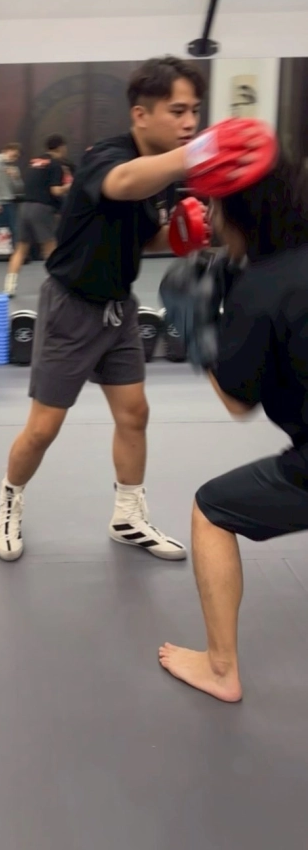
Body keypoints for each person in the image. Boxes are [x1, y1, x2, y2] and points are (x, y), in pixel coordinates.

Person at [0, 55, 208, 563]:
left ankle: (127, 516)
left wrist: (183, 236)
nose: (190, 122)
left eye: (195, 111)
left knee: (134, 414)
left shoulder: (164, 171)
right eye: (178, 111)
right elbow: (123, 184)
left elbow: (144, 237)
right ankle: (8, 502)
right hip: (71, 307)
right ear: (140, 115)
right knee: (43, 428)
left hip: (119, 307)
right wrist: (201, 153)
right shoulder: (107, 156)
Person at [158, 139, 308, 703]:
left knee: (212, 510)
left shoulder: (259, 289)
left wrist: (199, 332)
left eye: (216, 205)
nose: (211, 217)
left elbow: (238, 402)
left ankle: (220, 669)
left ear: (235, 211)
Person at [3, 134, 72, 298]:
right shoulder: (55, 164)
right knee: (49, 248)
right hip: (41, 208)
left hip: (25, 207)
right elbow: (55, 191)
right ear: (61, 147)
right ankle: (58, 285)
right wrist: (70, 186)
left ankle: (9, 287)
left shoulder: (34, 162)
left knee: (21, 249)